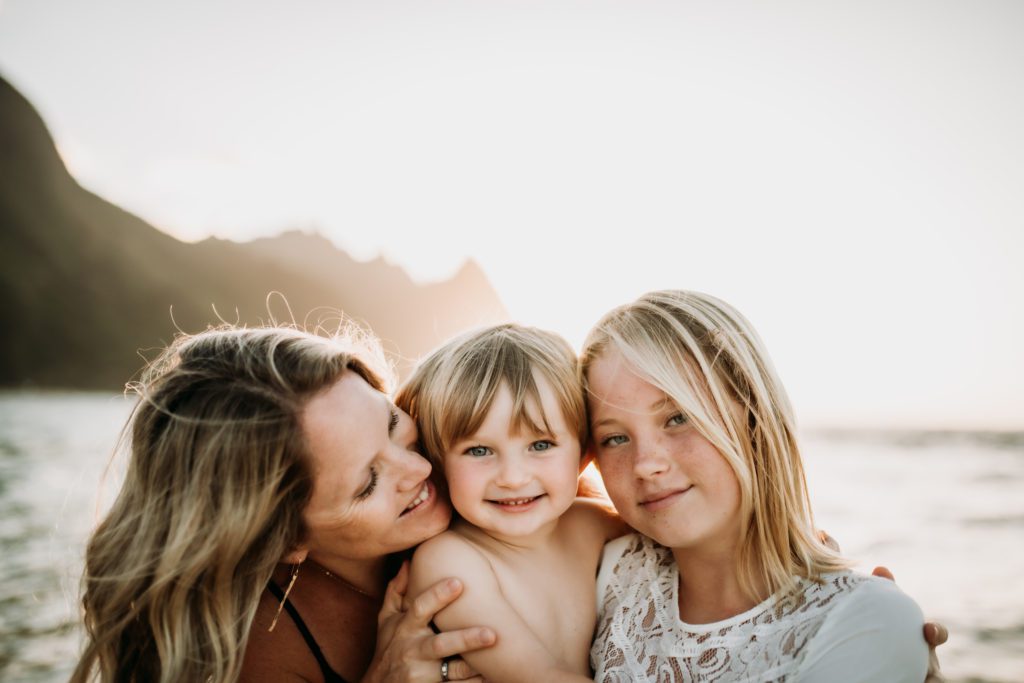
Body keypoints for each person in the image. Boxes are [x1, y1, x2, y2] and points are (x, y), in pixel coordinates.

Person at [70, 325, 494, 683]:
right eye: (367, 484)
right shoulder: (261, 650)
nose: (418, 469)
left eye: (391, 423)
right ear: (286, 539)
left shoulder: (483, 468)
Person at [581, 290, 930, 681]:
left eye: (679, 417)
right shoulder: (603, 576)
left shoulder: (866, 623)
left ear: (754, 416)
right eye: (614, 438)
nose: (646, 464)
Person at [396, 324, 627, 681]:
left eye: (540, 445)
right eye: (479, 450)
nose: (513, 477)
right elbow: (539, 676)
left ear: (582, 453)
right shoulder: (449, 562)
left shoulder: (592, 523)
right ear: (440, 463)